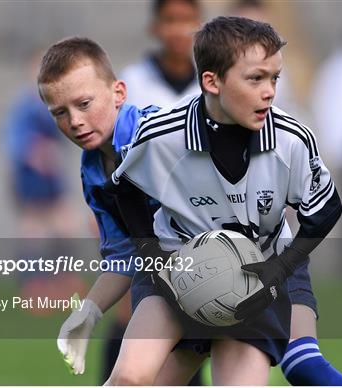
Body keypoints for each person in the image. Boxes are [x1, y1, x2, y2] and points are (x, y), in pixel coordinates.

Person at [106, 16, 342, 385]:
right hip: (176, 271)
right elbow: (124, 190)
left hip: (257, 276)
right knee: (129, 379)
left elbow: (326, 211)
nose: (269, 91)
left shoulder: (291, 139)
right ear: (212, 81)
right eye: (255, 78)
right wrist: (155, 257)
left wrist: (279, 270)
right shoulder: (162, 136)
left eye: (274, 78)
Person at [37, 37, 207, 383]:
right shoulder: (93, 171)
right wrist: (88, 312)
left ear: (118, 93)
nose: (75, 121)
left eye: (84, 104)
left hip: (230, 278)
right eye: (60, 113)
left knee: (301, 366)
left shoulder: (161, 135)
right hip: (173, 290)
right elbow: (125, 257)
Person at [105, 0, 202, 382]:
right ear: (156, 28)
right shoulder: (136, 80)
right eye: (170, 21)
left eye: (187, 20)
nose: (179, 29)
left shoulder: (212, 79)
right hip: (143, 215)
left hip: (202, 216)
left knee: (200, 312)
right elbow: (116, 153)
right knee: (133, 308)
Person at [3, 47, 86, 314]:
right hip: (31, 181)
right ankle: (33, 287)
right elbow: (14, 142)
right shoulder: (24, 106)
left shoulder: (52, 103)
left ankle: (61, 282)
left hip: (53, 180)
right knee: (33, 232)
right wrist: (36, 152)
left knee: (65, 226)